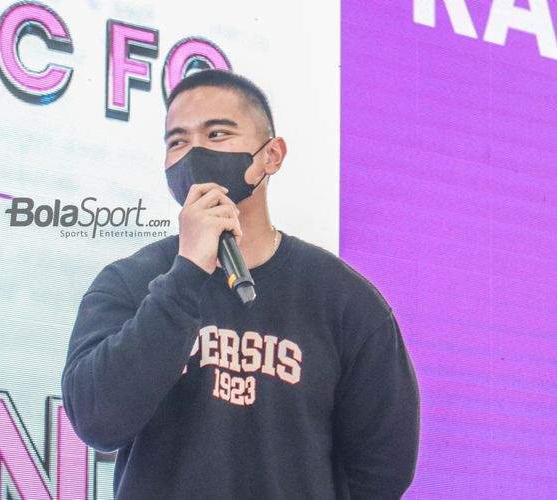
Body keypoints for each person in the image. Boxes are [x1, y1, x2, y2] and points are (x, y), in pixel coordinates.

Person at [61, 69, 420, 499]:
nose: (195, 153)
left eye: (217, 134)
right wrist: (186, 273)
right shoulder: (129, 282)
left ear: (272, 155)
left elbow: (384, 468)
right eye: (177, 141)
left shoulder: (346, 302)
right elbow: (96, 420)